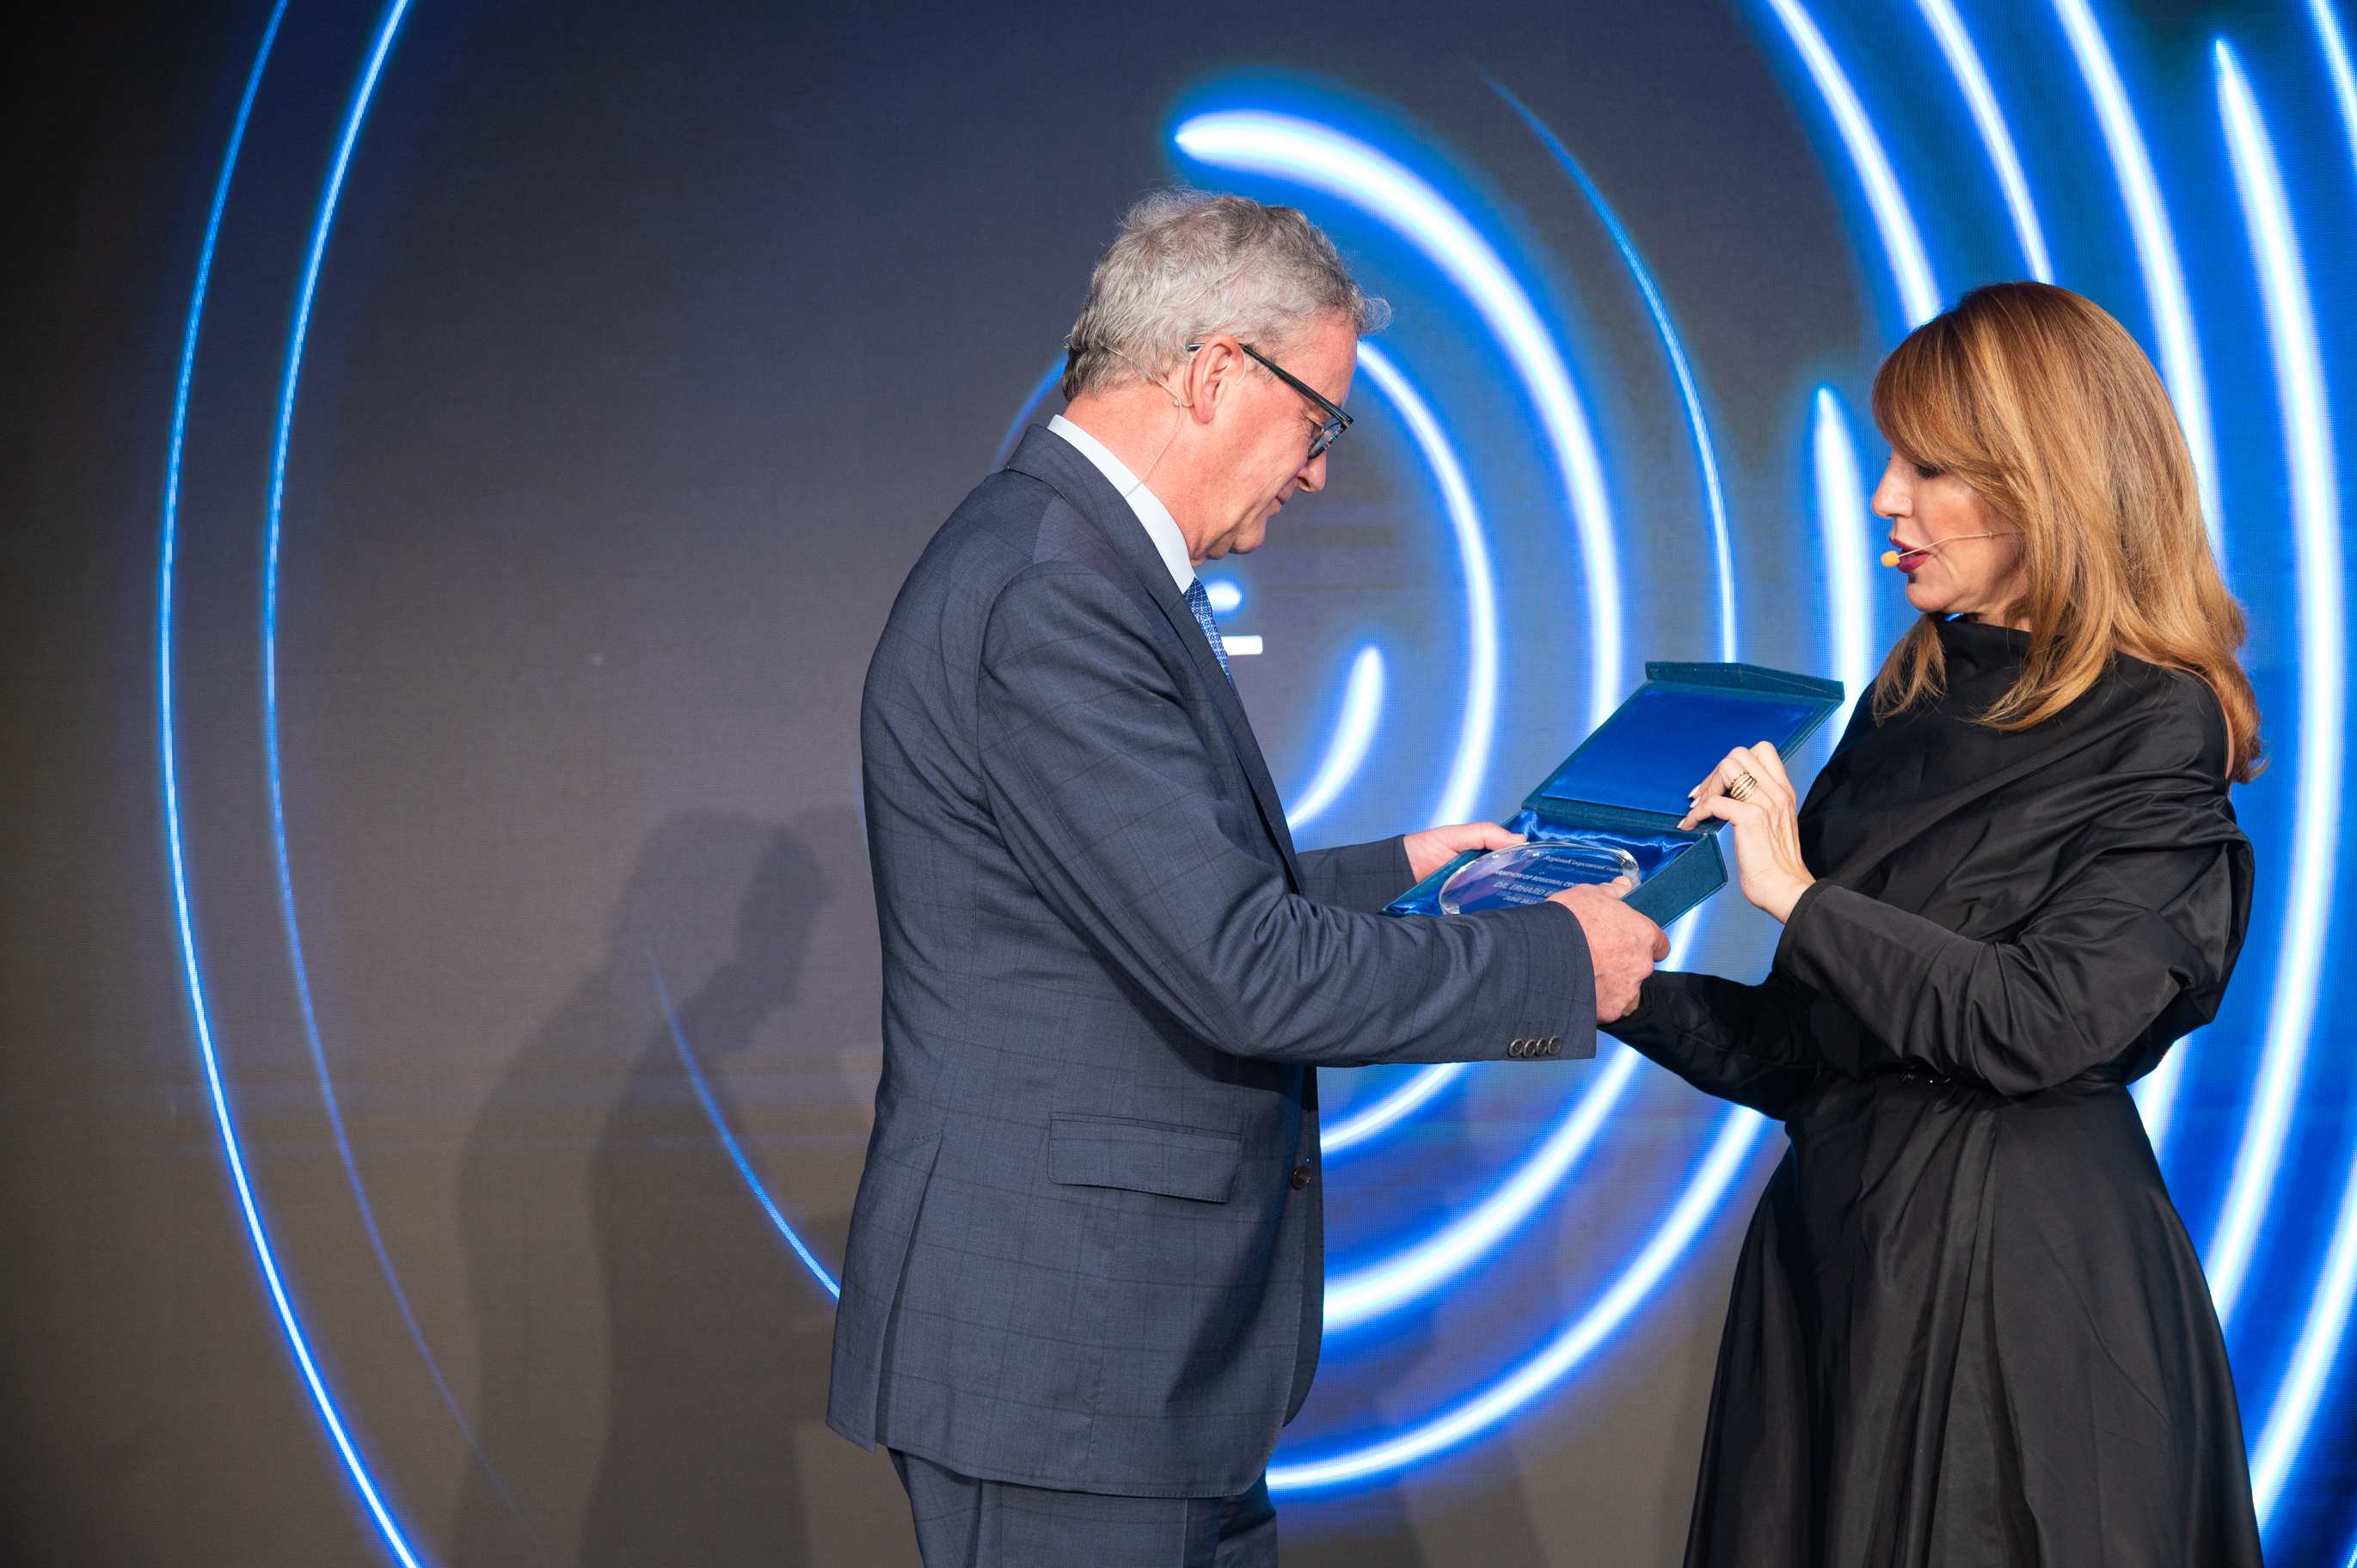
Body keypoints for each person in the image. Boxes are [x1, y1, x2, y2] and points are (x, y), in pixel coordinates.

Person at [826, 190, 1668, 1567]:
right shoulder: (1055, 591)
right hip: (1068, 1370)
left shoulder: (1071, 565)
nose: (1320, 471)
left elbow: (1120, 903)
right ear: (1216, 369)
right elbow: (1237, 969)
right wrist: (1556, 965)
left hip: (1127, 1374)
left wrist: (1392, 872)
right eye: (1321, 422)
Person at [1615, 280, 2264, 1566]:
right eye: (1888, 460)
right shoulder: (1908, 695)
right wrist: (1610, 981)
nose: (1883, 501)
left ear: (2045, 479)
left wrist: (1800, 895)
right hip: (1839, 1261)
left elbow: (2047, 1022)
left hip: (2015, 1290)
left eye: (1927, 466)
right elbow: (1816, 1055)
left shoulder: (2153, 721)